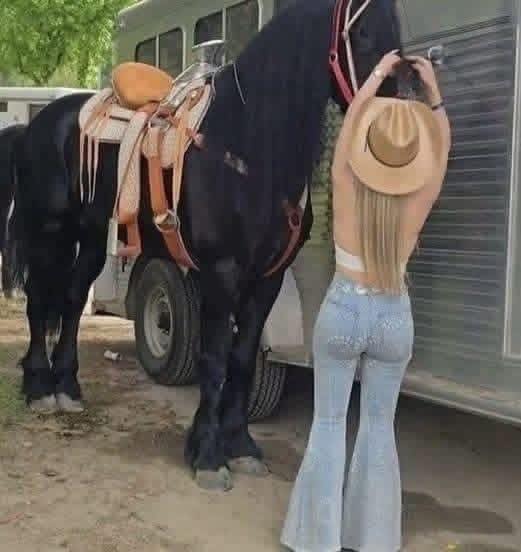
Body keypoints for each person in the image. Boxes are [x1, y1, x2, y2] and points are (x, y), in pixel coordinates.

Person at [281, 50, 451, 552]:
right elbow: (442, 148)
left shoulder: (345, 181)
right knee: (379, 427)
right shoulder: (422, 194)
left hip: (344, 307)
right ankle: (373, 539)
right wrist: (433, 94)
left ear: (367, 151)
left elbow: (350, 130)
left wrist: (376, 76)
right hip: (393, 313)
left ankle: (318, 540)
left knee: (329, 423)